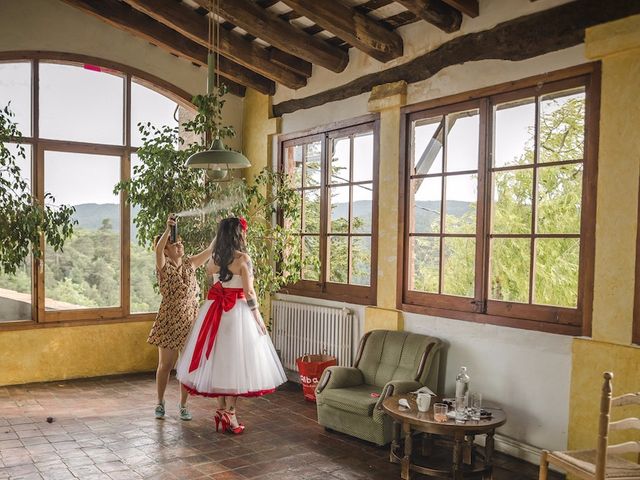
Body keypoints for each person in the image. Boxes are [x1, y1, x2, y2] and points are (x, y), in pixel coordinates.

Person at [176, 216, 286, 434]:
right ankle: (231, 413)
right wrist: (257, 317)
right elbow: (249, 292)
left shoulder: (215, 257)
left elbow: (209, 273)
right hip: (237, 313)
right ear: (239, 234)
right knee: (236, 363)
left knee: (217, 360)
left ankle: (220, 410)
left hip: (214, 312)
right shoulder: (243, 259)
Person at [148, 214, 214, 421]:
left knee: (185, 366)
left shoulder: (190, 264)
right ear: (167, 250)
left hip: (190, 321)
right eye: (174, 245)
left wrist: (224, 230)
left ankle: (184, 405)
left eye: (180, 243)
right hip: (169, 320)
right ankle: (160, 402)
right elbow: (158, 249)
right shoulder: (163, 267)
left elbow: (210, 250)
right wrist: (168, 229)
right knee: (165, 365)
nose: (180, 246)